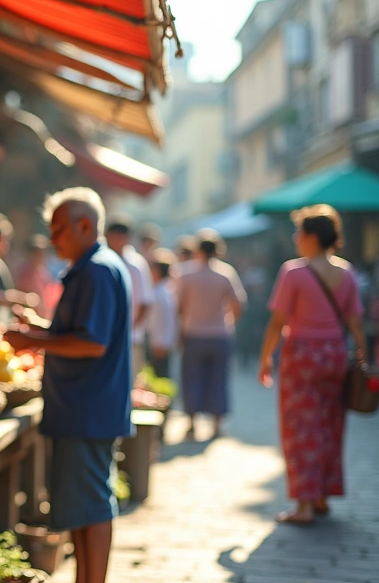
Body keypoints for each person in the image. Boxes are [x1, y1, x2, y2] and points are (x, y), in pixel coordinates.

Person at [5, 188, 132, 583]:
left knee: (93, 502)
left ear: (84, 225)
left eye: (59, 229)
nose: (53, 238)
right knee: (82, 502)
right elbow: (78, 332)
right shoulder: (90, 268)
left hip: (89, 405)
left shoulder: (96, 270)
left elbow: (92, 344)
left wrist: (32, 340)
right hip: (84, 404)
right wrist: (41, 329)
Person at [259, 204, 364, 525]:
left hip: (301, 354)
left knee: (301, 427)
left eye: (299, 232)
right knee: (330, 424)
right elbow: (355, 320)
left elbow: (277, 321)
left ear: (311, 237)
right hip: (334, 353)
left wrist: (265, 357)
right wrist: (362, 354)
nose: (295, 238)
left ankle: (303, 504)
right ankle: (322, 496)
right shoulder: (346, 272)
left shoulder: (293, 272)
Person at [176, 230, 247, 440]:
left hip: (193, 333)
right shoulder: (225, 273)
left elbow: (179, 305)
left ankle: (192, 424)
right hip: (219, 334)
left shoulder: (187, 274)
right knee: (219, 379)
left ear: (198, 249)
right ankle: (216, 426)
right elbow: (238, 303)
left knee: (192, 379)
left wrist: (181, 328)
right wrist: (230, 322)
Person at [105, 216, 155, 379]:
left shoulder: (136, 265)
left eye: (120, 237)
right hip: (104, 337)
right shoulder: (102, 262)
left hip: (130, 338)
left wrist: (131, 329)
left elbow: (146, 303)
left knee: (128, 381)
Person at [147, 249, 178, 379]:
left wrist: (160, 343)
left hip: (160, 344)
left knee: (161, 379)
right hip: (161, 343)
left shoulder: (161, 293)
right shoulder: (165, 290)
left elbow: (164, 321)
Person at [13, 234, 58, 318]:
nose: (41, 256)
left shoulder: (44, 272)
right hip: (27, 316)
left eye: (43, 253)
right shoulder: (24, 272)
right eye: (38, 253)